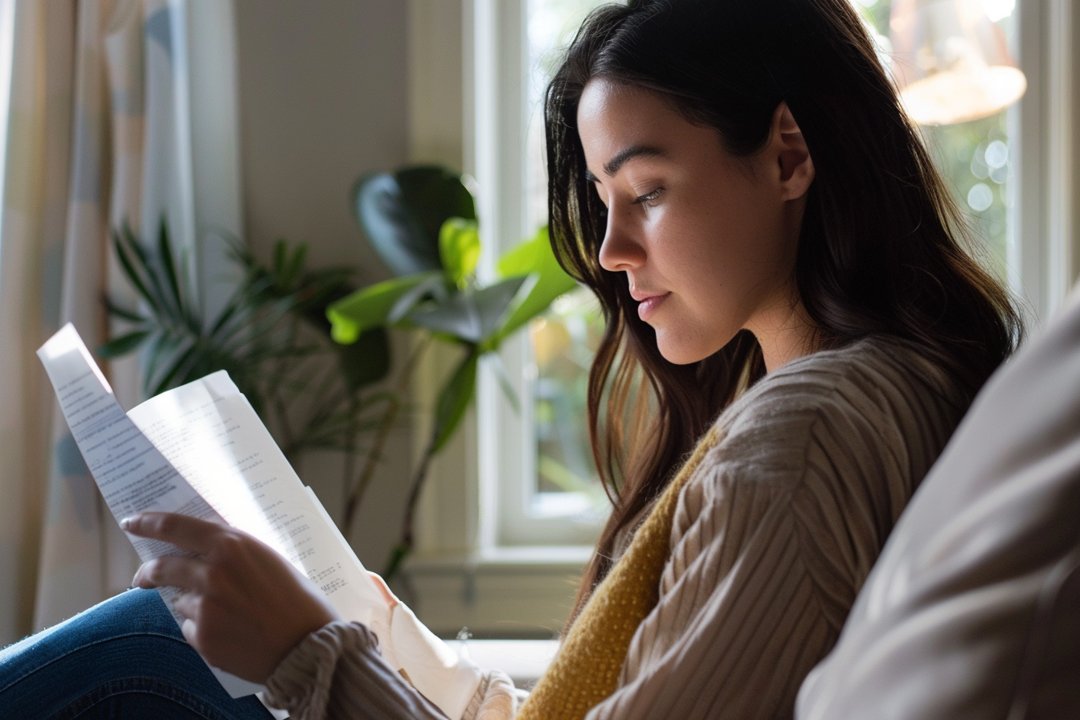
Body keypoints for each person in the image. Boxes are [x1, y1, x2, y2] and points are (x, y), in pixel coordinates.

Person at [0, 0, 1023, 718]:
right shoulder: (908, 387)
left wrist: (303, 657)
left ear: (789, 155)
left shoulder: (798, 443)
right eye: (606, 206)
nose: (614, 254)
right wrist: (368, 633)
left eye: (649, 190)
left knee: (146, 644)